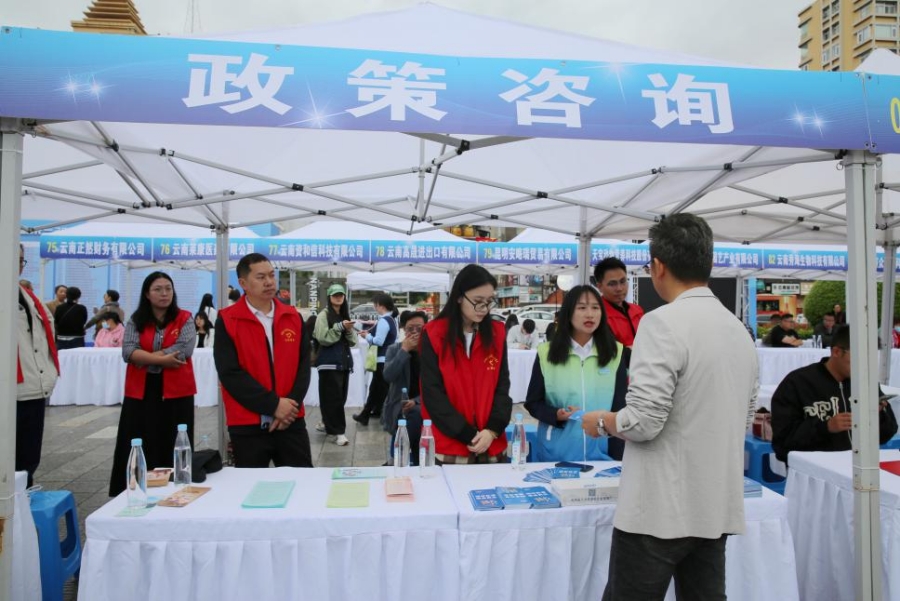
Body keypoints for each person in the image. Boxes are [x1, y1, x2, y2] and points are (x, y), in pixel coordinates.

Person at [581, 213, 758, 600]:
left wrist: (602, 421)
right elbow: (744, 418)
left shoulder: (661, 322)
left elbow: (643, 421)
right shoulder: (738, 330)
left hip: (658, 509)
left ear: (658, 267)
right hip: (714, 504)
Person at [214, 253, 312, 468]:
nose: (269, 282)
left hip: (291, 420)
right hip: (247, 423)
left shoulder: (292, 317)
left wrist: (289, 408)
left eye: (271, 275)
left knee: (302, 480)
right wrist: (274, 405)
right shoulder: (228, 319)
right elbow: (230, 373)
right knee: (249, 484)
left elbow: (303, 366)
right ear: (243, 283)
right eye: (260, 277)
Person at [109, 272, 197, 496]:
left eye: (168, 288)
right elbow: (128, 351)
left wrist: (146, 358)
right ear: (147, 294)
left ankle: (176, 488)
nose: (164, 293)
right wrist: (161, 360)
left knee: (174, 440)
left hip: (177, 392)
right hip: (142, 391)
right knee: (140, 438)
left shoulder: (185, 318)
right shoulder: (136, 320)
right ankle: (134, 490)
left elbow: (184, 349)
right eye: (158, 289)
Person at [420, 264, 512, 464]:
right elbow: (432, 394)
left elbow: (502, 388)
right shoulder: (434, 334)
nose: (484, 309)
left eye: (489, 302)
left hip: (491, 444)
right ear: (459, 297)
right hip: (450, 445)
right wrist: (467, 434)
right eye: (478, 302)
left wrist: (492, 430)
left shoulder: (496, 333)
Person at [525, 285, 628, 462]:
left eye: (595, 308)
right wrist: (556, 415)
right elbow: (533, 403)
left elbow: (620, 407)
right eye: (582, 308)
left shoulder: (615, 353)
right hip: (556, 455)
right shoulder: (546, 353)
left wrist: (617, 456)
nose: (590, 314)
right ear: (568, 313)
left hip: (603, 456)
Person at [771, 325, 898, 464]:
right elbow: (782, 442)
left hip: (860, 468)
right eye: (860, 357)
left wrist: (878, 415)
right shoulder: (797, 383)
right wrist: (826, 427)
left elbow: (887, 434)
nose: (865, 365)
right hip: (813, 470)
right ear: (836, 352)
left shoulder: (866, 384)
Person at [16, 244, 59, 487]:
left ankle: (23, 500)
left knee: (27, 460)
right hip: (10, 389)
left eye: (20, 259)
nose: (17, 264)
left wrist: (48, 375)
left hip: (33, 388)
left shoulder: (30, 298)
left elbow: (44, 339)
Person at [313, 283, 358, 446]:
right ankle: (338, 432)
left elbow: (353, 341)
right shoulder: (323, 315)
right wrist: (340, 327)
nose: (338, 297)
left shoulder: (344, 315)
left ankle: (326, 423)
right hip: (329, 363)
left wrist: (348, 329)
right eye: (335, 295)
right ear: (329, 297)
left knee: (339, 398)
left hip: (343, 363)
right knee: (334, 399)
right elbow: (322, 338)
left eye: (341, 295)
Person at [382, 311, 429, 464]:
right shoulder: (394, 349)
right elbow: (388, 376)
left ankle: (398, 459)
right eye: (410, 329)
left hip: (426, 404)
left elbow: (438, 385)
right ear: (403, 329)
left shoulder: (431, 352)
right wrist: (404, 351)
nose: (414, 333)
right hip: (399, 405)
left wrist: (416, 401)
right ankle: (410, 460)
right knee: (409, 417)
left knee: (414, 414)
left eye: (419, 329)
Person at [354, 292, 399, 425]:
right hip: (386, 359)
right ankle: (371, 413)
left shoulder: (384, 321)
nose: (374, 307)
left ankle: (372, 414)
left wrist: (366, 336)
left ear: (381, 305)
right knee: (378, 388)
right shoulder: (391, 319)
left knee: (379, 389)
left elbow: (379, 341)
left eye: (375, 304)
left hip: (382, 360)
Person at [594, 256, 644, 347]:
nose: (619, 288)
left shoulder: (637, 310)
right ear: (599, 286)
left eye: (623, 281)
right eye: (612, 284)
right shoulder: (597, 315)